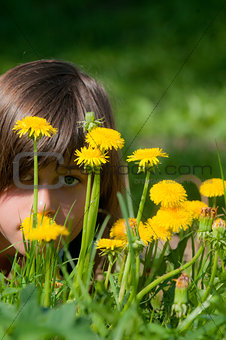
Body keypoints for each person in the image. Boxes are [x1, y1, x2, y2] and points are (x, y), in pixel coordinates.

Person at [0, 59, 122, 275]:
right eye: (25, 177)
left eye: (69, 179)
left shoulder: (108, 280)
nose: (44, 205)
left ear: (100, 190)